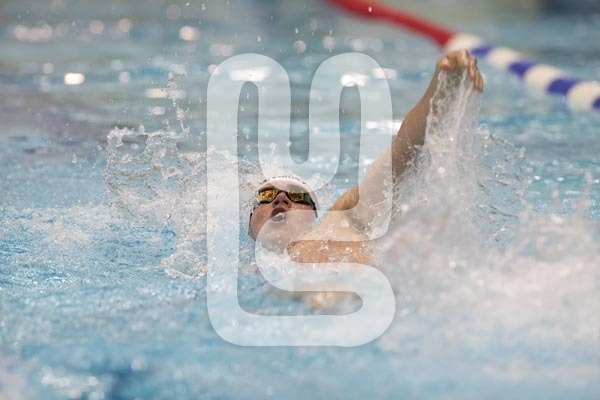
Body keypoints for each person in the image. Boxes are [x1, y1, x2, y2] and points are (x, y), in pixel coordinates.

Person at [248, 50, 483, 264]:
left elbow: (400, 157)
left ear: (314, 216)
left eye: (298, 195)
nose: (281, 199)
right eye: (265, 196)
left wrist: (441, 92)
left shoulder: (338, 225)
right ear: (249, 226)